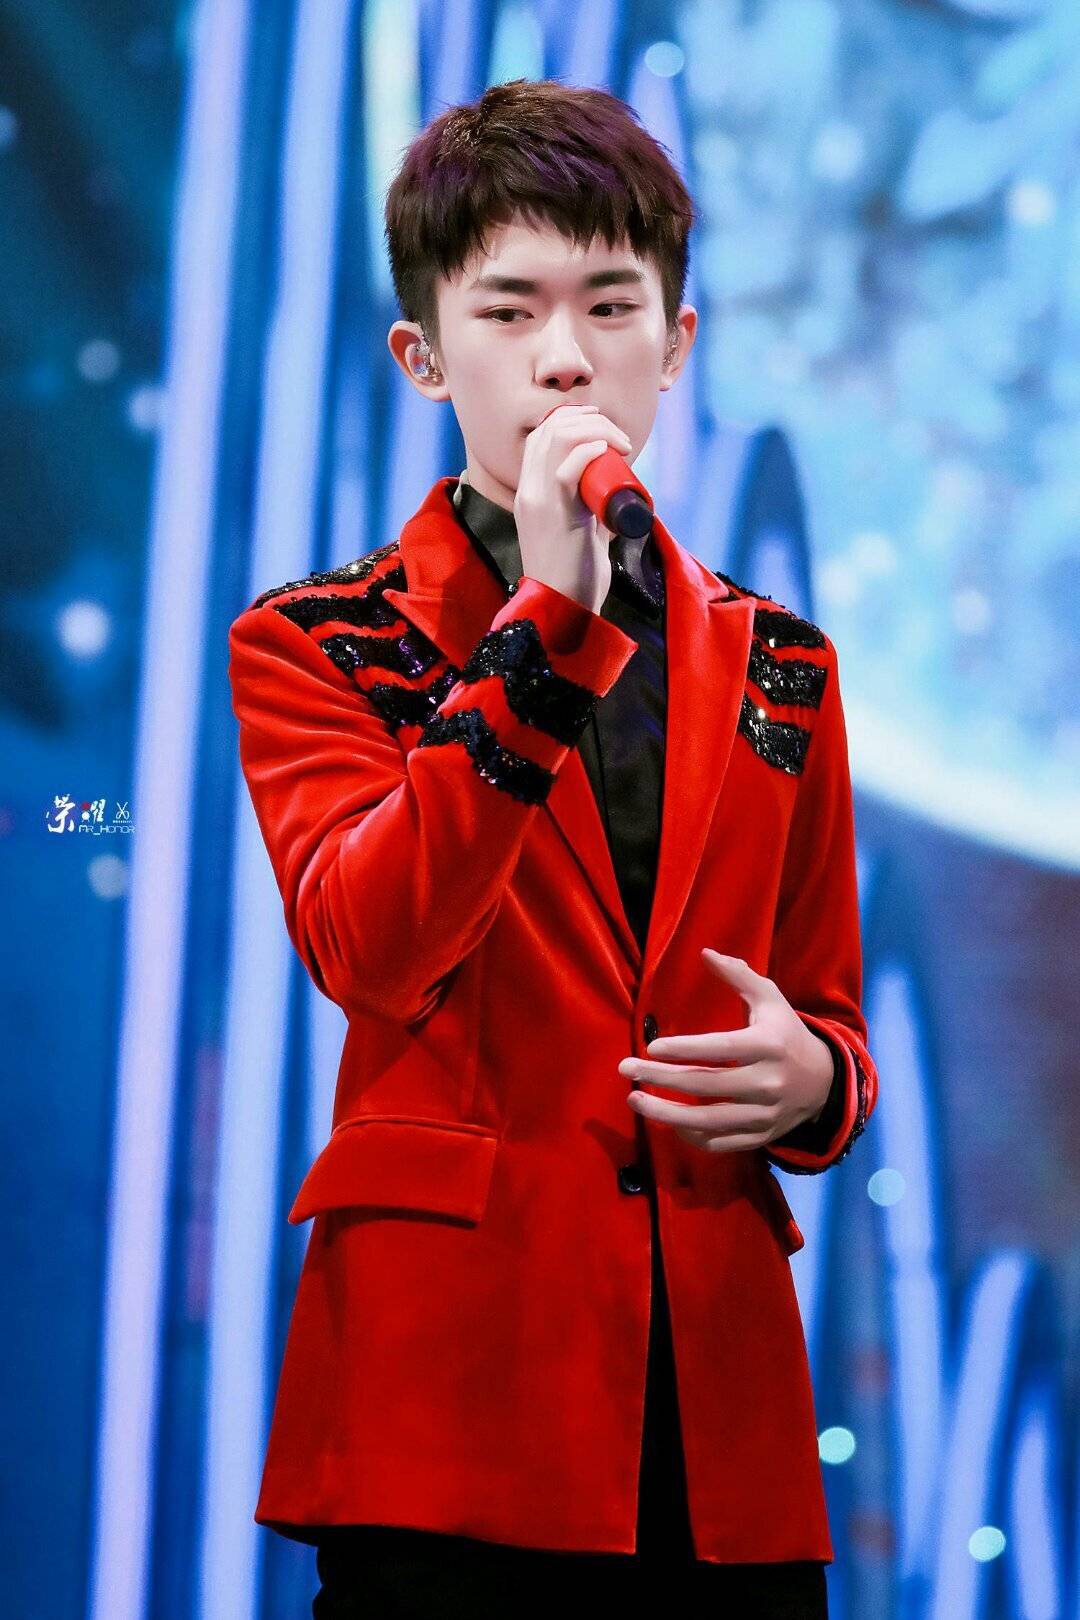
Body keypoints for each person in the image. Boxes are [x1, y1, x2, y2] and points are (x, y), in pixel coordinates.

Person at [228, 77, 878, 1619]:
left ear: (679, 341)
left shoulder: (785, 665)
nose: (567, 355)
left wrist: (815, 1082)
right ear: (423, 354)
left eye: (611, 305)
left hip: (715, 1410)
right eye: (510, 310)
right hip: (449, 1404)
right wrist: (550, 626)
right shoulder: (321, 639)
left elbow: (828, 1013)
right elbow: (371, 944)